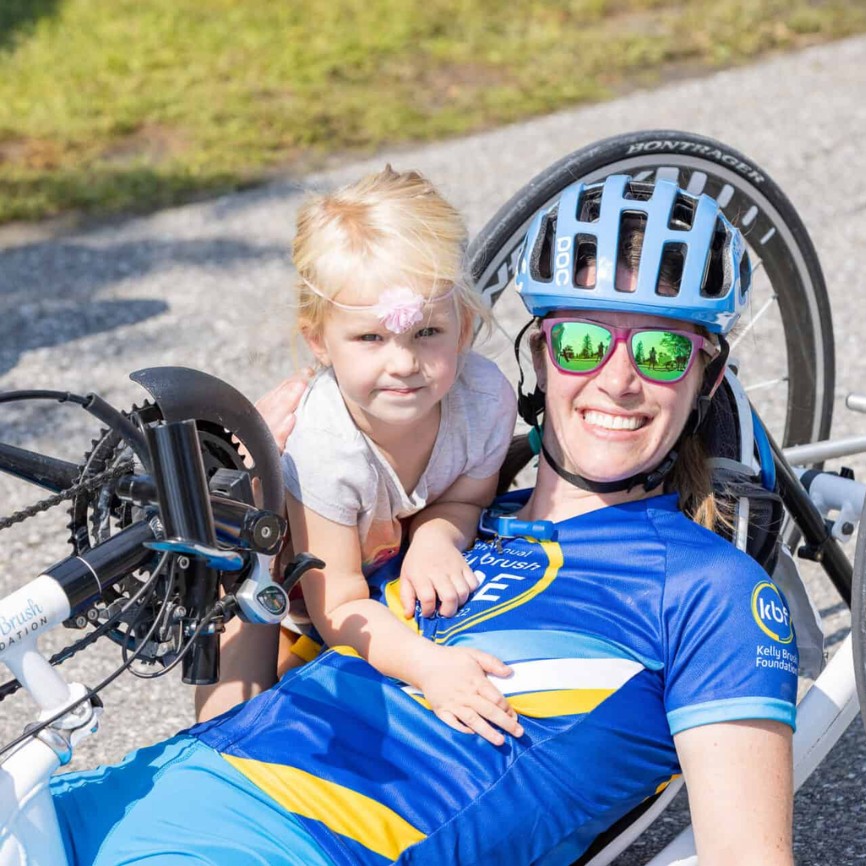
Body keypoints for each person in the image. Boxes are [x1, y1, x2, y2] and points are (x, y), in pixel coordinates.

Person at [50, 174, 797, 866]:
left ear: (710, 374)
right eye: (581, 343)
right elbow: (245, 683)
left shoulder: (707, 590)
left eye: (665, 350)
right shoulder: (399, 527)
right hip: (133, 793)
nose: (619, 379)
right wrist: (254, 521)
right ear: (539, 355)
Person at [274, 166, 520, 744]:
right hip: (291, 605)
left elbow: (464, 497)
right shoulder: (325, 448)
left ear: (463, 327)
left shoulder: (482, 400)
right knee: (285, 723)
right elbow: (334, 606)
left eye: (427, 333)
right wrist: (427, 667)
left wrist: (438, 535)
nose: (404, 363)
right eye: (370, 338)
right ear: (319, 342)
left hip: (381, 579)